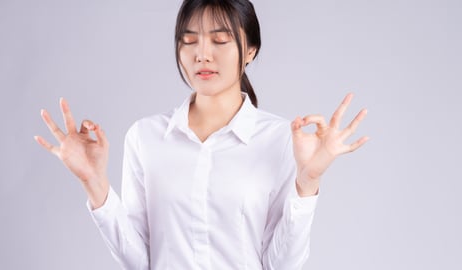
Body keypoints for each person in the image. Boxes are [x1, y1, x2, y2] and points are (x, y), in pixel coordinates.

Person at [34, 0, 368, 269]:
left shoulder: (282, 140)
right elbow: (139, 261)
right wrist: (95, 184)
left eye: (220, 40)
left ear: (250, 50)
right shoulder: (145, 137)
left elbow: (280, 264)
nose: (202, 54)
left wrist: (307, 183)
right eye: (189, 40)